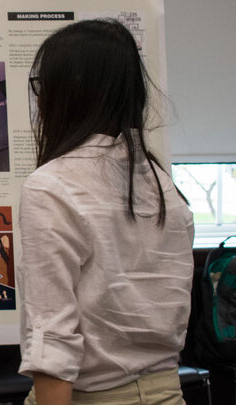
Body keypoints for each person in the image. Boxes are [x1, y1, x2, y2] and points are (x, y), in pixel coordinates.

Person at [18, 19, 194, 405]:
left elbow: (53, 339)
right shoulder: (165, 186)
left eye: (42, 87)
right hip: (169, 393)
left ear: (70, 90)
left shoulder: (52, 185)